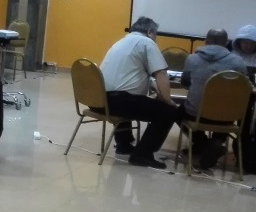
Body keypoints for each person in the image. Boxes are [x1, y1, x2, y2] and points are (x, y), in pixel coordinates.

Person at [100, 16, 179, 169]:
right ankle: (143, 155)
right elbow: (161, 73)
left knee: (130, 96)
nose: (156, 38)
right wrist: (167, 100)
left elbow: (129, 75)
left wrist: (153, 87)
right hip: (119, 102)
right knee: (168, 112)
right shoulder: (147, 43)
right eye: (156, 34)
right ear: (150, 32)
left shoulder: (120, 42)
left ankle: (124, 144)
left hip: (101, 100)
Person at [180, 29, 247, 169]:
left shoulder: (192, 59)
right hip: (227, 117)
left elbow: (185, 83)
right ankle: (217, 141)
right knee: (226, 110)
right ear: (226, 43)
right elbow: (245, 86)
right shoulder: (238, 62)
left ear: (205, 41)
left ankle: (202, 143)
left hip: (196, 114)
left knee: (176, 112)